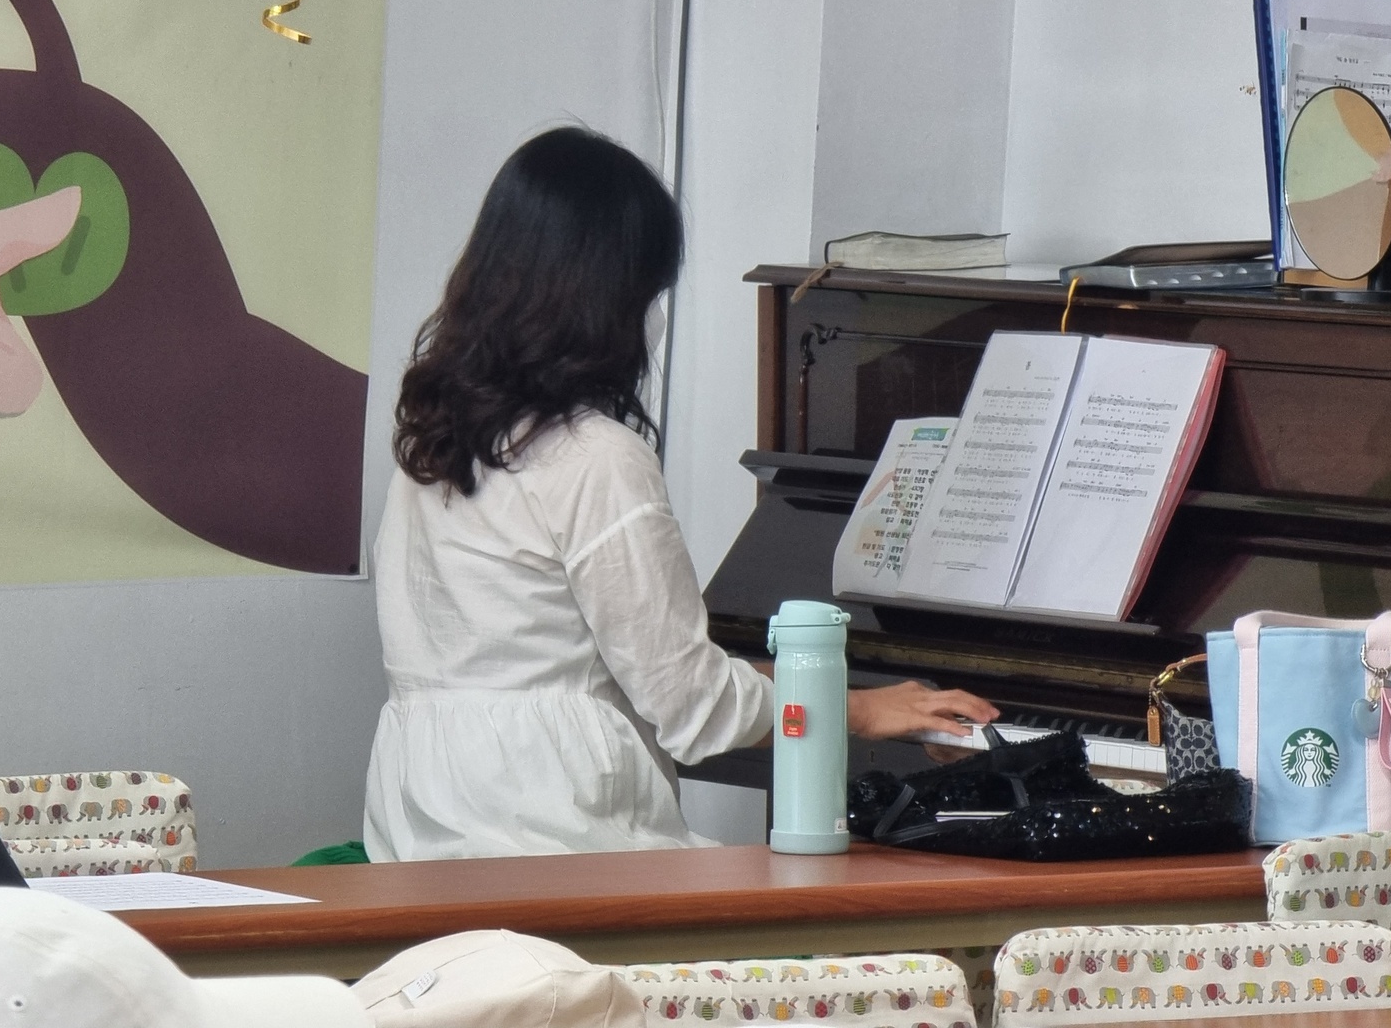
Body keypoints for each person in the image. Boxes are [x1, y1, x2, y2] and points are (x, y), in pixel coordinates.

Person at [363, 126, 997, 861]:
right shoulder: (597, 458)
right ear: (606, 298)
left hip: (419, 826)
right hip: (554, 834)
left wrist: (823, 685)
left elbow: (618, 663)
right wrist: (856, 709)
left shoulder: (436, 444)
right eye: (650, 292)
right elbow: (691, 704)